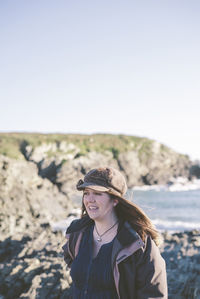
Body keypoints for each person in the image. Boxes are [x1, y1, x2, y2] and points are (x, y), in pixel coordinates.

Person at [62, 167, 168, 299]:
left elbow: (154, 295)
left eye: (98, 193)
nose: (90, 199)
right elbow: (71, 261)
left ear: (115, 200)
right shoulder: (77, 233)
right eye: (86, 193)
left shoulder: (137, 243)